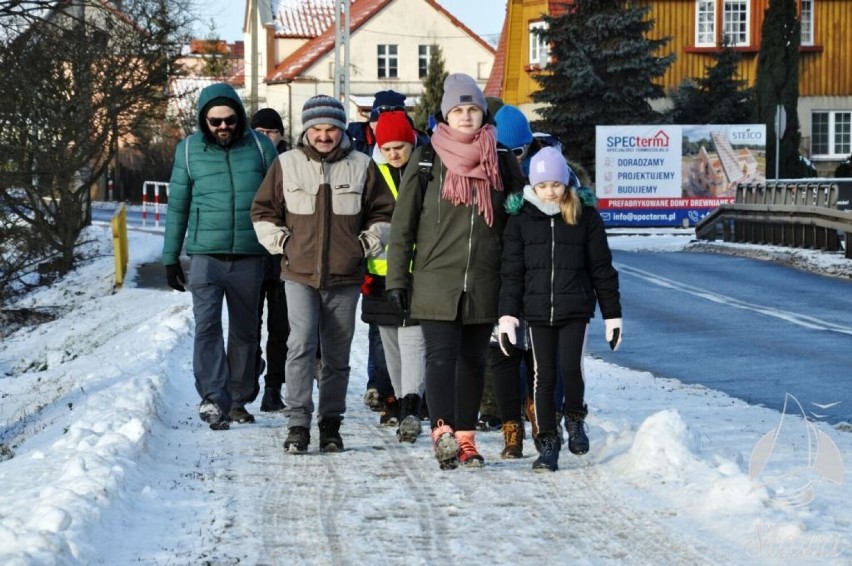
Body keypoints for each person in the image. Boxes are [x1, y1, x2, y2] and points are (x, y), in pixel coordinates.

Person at [386, 73, 524, 469]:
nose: (466, 117)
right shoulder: (427, 158)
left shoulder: (499, 160)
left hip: (484, 278)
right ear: (446, 115)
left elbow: (516, 222)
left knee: (474, 361)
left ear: (483, 115)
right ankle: (441, 431)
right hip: (435, 280)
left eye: (473, 110)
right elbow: (403, 225)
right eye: (458, 110)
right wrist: (397, 280)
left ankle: (465, 439)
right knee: (441, 358)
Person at [251, 94, 394, 454]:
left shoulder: (362, 165)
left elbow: (384, 213)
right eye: (317, 129)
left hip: (344, 276)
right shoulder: (286, 164)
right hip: (298, 273)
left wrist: (365, 245)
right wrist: (282, 243)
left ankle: (331, 423)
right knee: (300, 345)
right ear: (307, 129)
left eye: (331, 129)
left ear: (342, 130)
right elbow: (263, 210)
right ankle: (298, 423)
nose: (324, 135)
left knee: (336, 354)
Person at [498, 147, 623, 472]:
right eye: (543, 186)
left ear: (565, 183)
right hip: (537, 311)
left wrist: (612, 315)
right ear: (533, 186)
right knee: (543, 376)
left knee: (570, 369)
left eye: (555, 184)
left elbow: (601, 268)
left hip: (575, 308)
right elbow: (511, 272)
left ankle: (575, 418)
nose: (550, 191)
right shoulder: (521, 219)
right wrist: (508, 315)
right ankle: (548, 443)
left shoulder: (585, 216)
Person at [162, 82, 277, 430]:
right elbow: (178, 206)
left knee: (245, 331)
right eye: (215, 122)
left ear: (239, 117)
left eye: (229, 120)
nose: (223, 127)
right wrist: (171, 257)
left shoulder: (259, 148)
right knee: (207, 326)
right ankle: (213, 397)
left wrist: (279, 249)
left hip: (250, 255)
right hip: (205, 257)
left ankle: (238, 398)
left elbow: (280, 199)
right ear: (204, 120)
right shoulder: (187, 151)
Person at [348, 90, 426, 419]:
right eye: (387, 149)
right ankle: (395, 399)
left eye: (400, 147)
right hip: (378, 273)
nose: (394, 154)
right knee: (388, 343)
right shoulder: (370, 174)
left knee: (415, 340)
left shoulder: (425, 171)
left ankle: (412, 403)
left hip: (419, 270)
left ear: (411, 144)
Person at [250, 108, 289, 412]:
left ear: (281, 136)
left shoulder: (293, 164)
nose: (264, 138)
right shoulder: (242, 164)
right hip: (248, 257)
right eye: (258, 133)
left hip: (284, 260)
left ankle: (273, 388)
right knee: (249, 326)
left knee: (280, 329)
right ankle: (249, 378)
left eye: (270, 133)